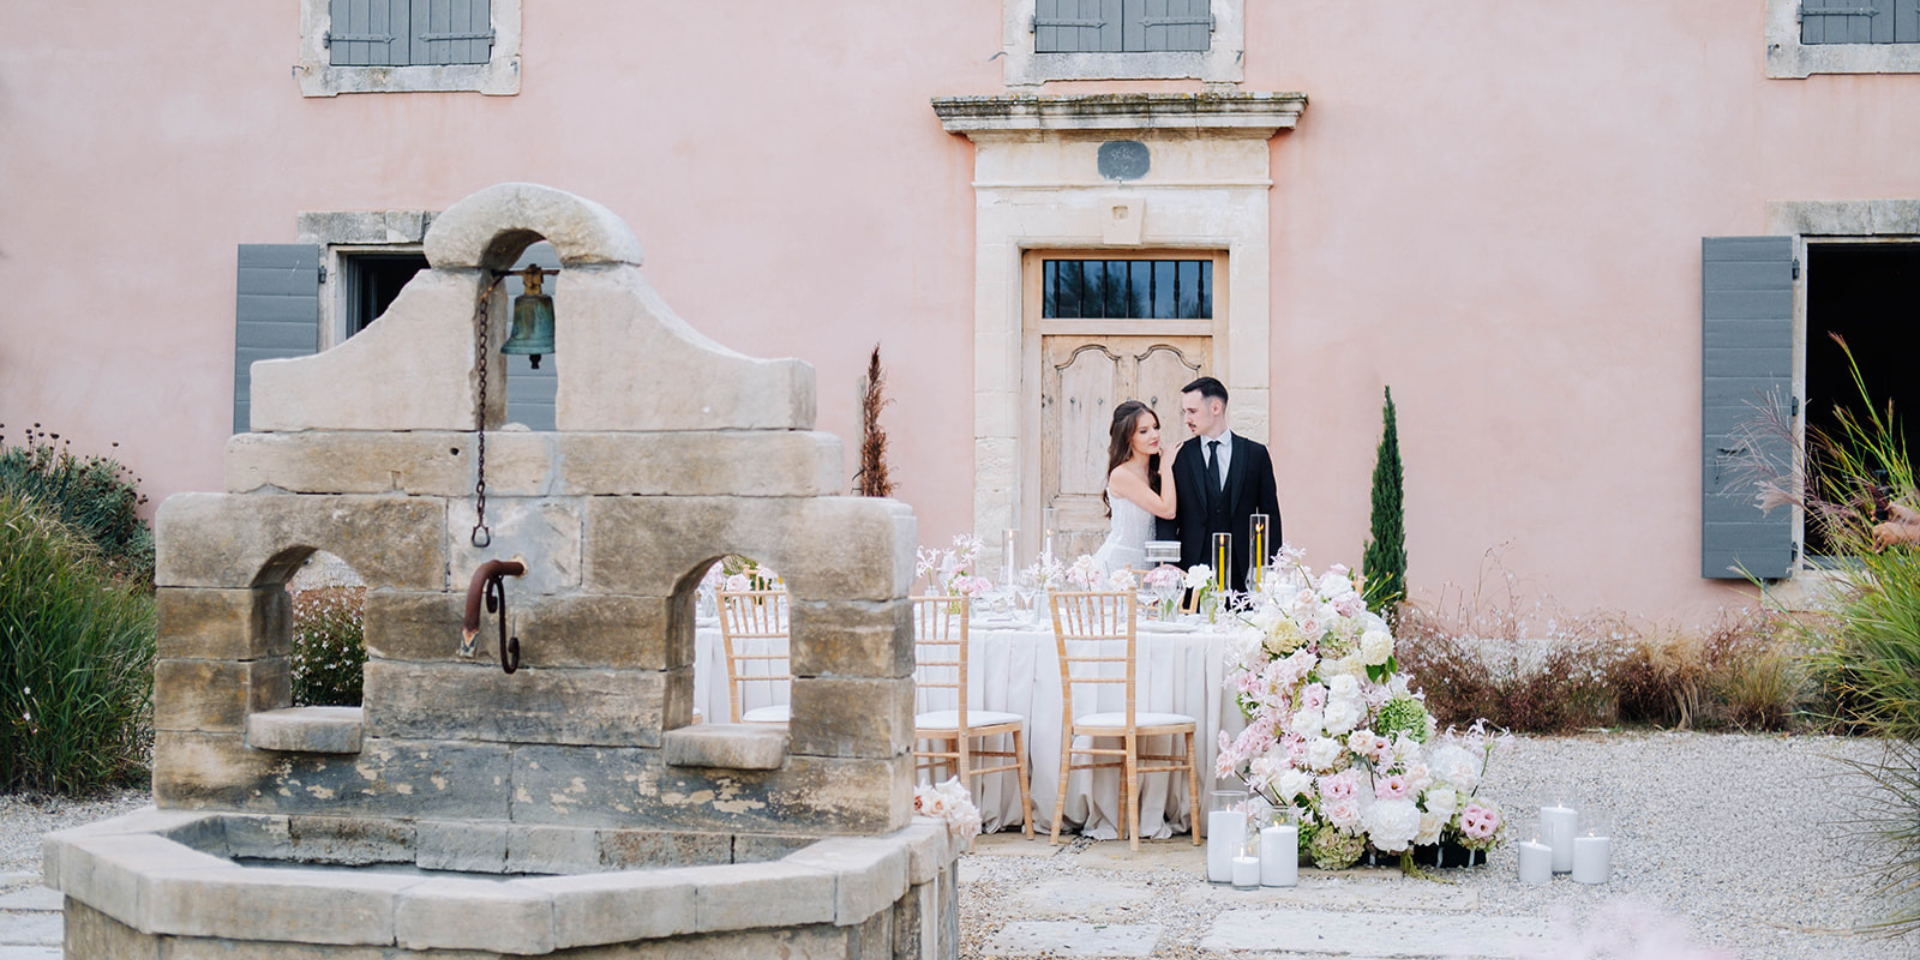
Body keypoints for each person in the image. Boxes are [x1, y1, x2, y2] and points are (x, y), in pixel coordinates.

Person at [1155, 376, 1282, 592]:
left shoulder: (1256, 454)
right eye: (1185, 412)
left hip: (1244, 573)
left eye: (1192, 411)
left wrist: (1270, 570)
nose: (1186, 419)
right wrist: (1167, 568)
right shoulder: (1178, 456)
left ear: (1215, 407)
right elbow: (1167, 518)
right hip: (1190, 573)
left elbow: (1270, 515)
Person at [1091, 400, 1179, 575]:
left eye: (1155, 427)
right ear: (1127, 437)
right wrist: (1167, 466)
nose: (1154, 435)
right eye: (1144, 431)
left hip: (1145, 565)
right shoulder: (1122, 475)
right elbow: (1168, 510)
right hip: (1118, 565)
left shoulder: (1153, 471)